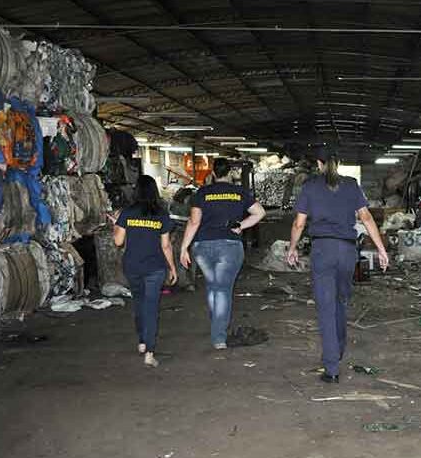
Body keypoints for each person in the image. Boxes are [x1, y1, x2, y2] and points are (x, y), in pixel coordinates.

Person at [287, 148, 389, 383]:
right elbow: (366, 218)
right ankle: (338, 348)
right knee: (341, 301)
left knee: (326, 307)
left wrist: (292, 248)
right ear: (338, 163)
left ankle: (332, 368)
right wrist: (382, 250)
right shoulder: (352, 185)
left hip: (323, 250)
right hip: (347, 251)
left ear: (319, 163)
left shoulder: (310, 186)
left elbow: (298, 223)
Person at [180, 158, 266, 349]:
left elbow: (194, 222)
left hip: (202, 247)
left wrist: (184, 247)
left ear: (213, 173)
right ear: (230, 173)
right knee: (223, 290)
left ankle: (216, 324)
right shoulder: (239, 192)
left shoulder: (202, 192)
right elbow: (259, 213)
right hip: (229, 246)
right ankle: (219, 337)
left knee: (213, 286)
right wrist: (241, 226)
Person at [112, 175, 178, 368]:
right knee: (151, 307)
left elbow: (118, 241)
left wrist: (116, 224)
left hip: (132, 266)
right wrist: (172, 268)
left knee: (139, 303)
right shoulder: (161, 214)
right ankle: (149, 352)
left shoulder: (128, 213)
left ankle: (142, 342)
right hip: (155, 267)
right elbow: (166, 246)